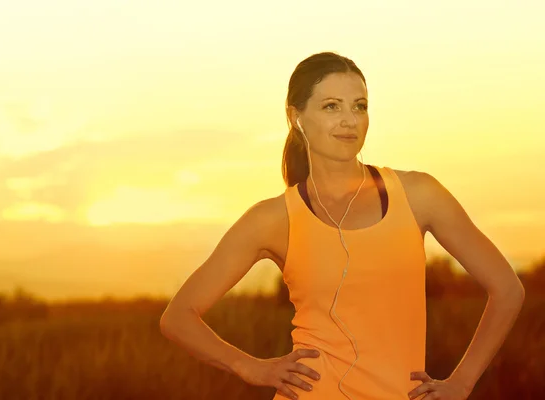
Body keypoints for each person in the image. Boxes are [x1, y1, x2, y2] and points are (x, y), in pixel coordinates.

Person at [160, 51, 525, 400]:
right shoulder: (272, 219)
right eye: (331, 106)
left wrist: (462, 382)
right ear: (296, 116)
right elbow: (178, 317)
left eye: (360, 106)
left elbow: (507, 288)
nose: (350, 120)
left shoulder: (419, 195)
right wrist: (250, 367)